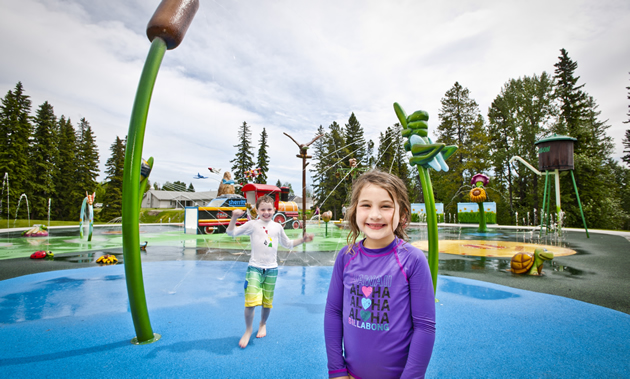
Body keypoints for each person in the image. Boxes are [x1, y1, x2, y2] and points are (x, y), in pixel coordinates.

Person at [324, 170, 435, 379]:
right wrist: (337, 371)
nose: (375, 215)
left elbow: (424, 327)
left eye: (386, 206)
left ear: (402, 214)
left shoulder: (413, 260)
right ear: (354, 211)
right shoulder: (346, 257)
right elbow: (333, 312)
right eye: (366, 205)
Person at [227, 195, 314, 348]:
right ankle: (248, 330)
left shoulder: (277, 227)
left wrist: (302, 240)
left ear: (274, 210)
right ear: (257, 210)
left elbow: (287, 244)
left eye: (269, 209)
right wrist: (234, 217)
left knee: (267, 303)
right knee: (250, 303)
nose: (266, 212)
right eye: (263, 209)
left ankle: (263, 323)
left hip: (272, 269)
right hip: (254, 268)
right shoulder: (252, 225)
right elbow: (231, 233)